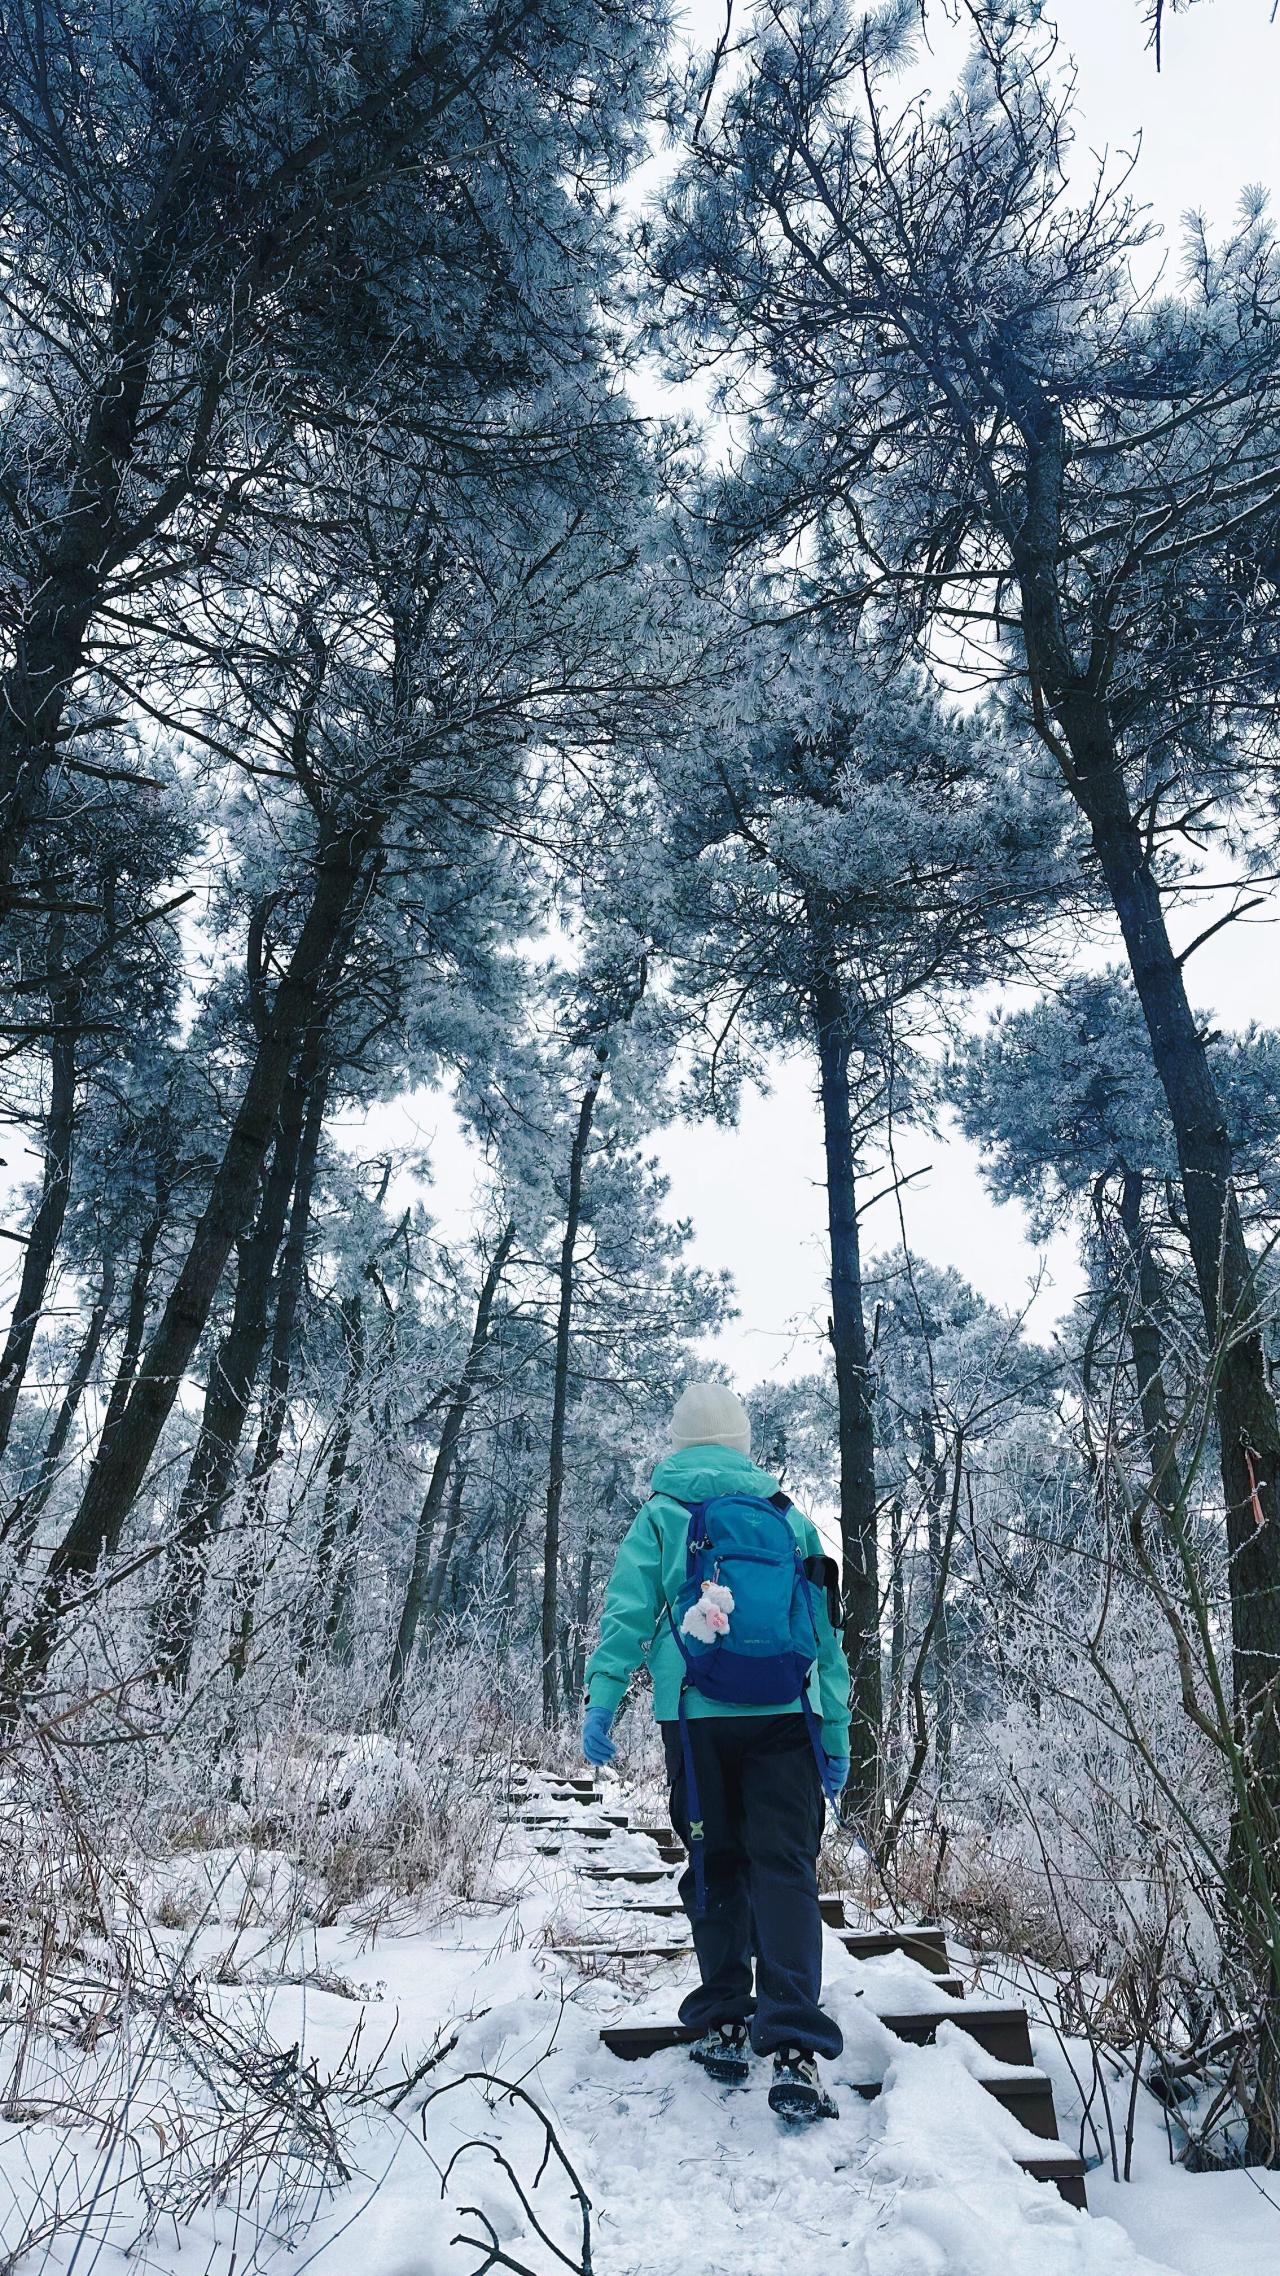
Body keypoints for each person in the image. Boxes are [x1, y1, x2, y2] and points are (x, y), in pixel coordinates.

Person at [581, 1381, 851, 2123]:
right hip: (787, 1715)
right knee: (786, 1867)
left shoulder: (661, 1516)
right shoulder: (789, 1518)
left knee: (715, 1863)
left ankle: (726, 2020)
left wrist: (604, 1699)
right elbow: (826, 1636)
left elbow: (626, 1615)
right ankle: (794, 2044)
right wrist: (834, 1736)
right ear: (742, 1443)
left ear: (678, 1443)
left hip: (695, 1715)